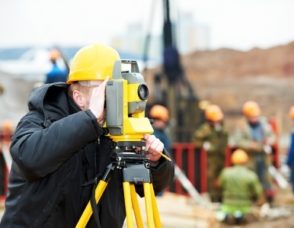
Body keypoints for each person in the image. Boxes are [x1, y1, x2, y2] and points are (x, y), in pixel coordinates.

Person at [0, 43, 174, 227]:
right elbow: (28, 159)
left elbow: (153, 187)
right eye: (108, 91)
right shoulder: (42, 117)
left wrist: (156, 162)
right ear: (78, 97)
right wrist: (89, 120)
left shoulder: (119, 127)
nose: (116, 99)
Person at [234, 101, 275, 204]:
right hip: (250, 158)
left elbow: (272, 136)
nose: (254, 119)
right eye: (252, 117)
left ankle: (267, 201)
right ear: (247, 116)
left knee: (266, 179)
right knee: (252, 178)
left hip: (263, 156)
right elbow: (238, 141)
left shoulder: (264, 124)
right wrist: (251, 145)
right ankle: (253, 200)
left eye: (255, 116)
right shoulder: (242, 126)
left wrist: (268, 142)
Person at [193, 104, 228, 202]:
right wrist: (204, 145)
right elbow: (196, 140)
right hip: (211, 158)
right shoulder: (205, 129)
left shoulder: (222, 128)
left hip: (221, 156)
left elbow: (225, 139)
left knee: (221, 177)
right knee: (211, 178)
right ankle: (213, 199)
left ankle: (221, 198)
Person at [219, 149, 262, 224]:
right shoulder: (251, 175)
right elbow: (258, 192)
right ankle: (241, 217)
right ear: (246, 161)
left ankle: (229, 216)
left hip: (228, 206)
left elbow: (220, 185)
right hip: (245, 207)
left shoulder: (225, 173)